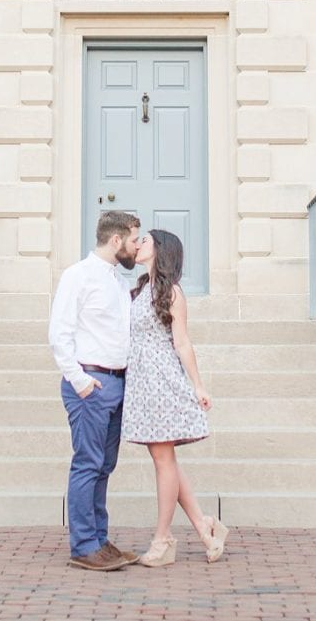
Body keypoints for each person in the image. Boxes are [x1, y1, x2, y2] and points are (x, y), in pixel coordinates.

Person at [120, 228, 227, 567]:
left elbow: (182, 343)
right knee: (165, 459)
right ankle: (203, 525)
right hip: (142, 383)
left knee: (163, 460)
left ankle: (163, 539)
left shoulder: (173, 293)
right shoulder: (139, 289)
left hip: (162, 382)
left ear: (161, 250)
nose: (138, 244)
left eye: (145, 240)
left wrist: (198, 385)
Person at [48, 209, 141, 572]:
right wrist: (80, 380)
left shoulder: (117, 280)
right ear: (116, 240)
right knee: (87, 463)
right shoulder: (78, 276)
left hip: (117, 383)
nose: (137, 246)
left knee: (105, 465)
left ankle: (100, 540)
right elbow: (60, 332)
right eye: (134, 239)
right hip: (91, 383)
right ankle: (84, 545)